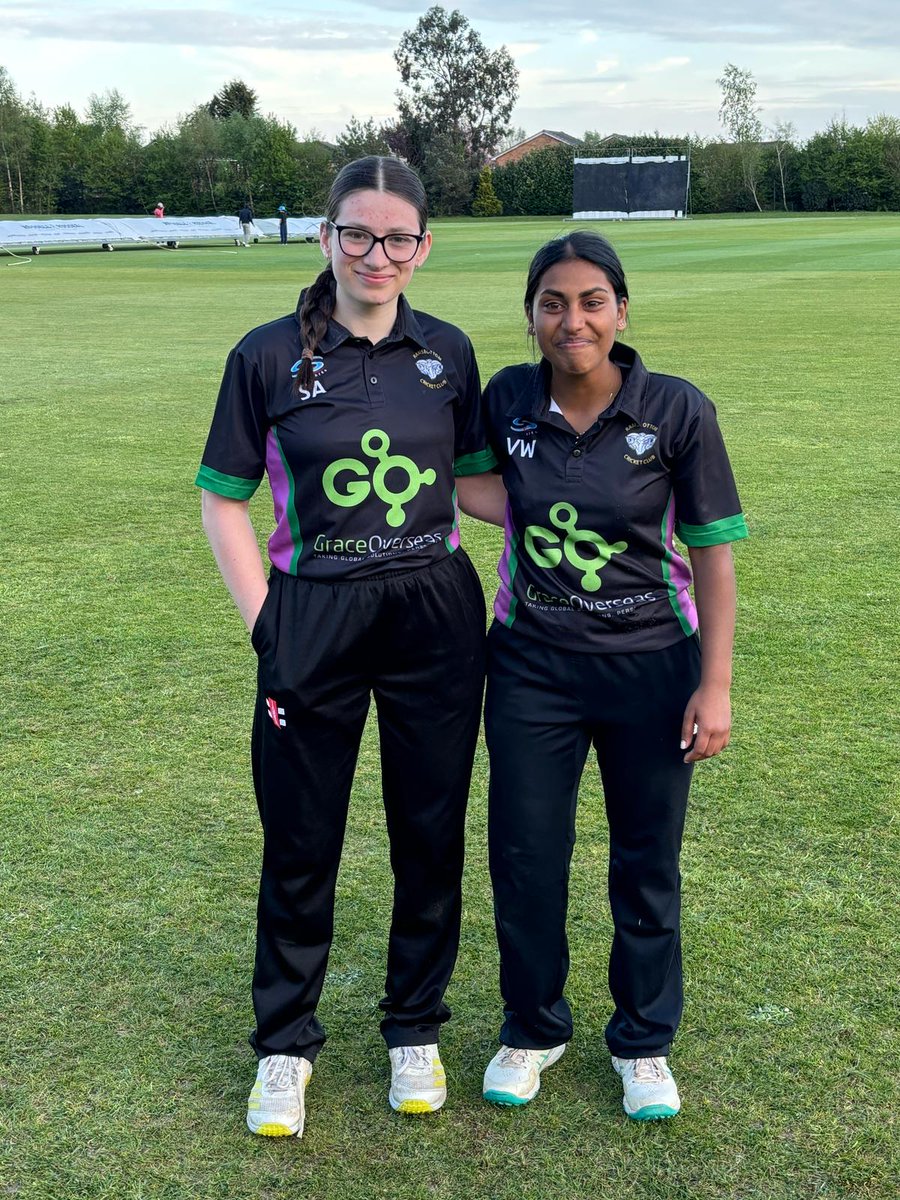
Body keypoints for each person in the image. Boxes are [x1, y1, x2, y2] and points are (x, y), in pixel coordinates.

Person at [196, 156, 500, 1139]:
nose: (377, 254)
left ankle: (415, 1027)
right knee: (299, 838)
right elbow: (222, 497)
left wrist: (608, 505)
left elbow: (480, 488)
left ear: (423, 246)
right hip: (313, 616)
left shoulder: (449, 353)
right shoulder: (265, 355)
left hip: (435, 616)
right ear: (326, 237)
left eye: (397, 237)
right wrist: (264, 625)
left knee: (429, 830)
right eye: (357, 234)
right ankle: (285, 1046)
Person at [477, 232, 748, 1121]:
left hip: (652, 671)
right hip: (530, 668)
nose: (572, 319)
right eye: (553, 302)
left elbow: (711, 557)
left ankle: (643, 1041)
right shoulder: (508, 397)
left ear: (622, 311)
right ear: (531, 315)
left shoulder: (675, 409)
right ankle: (532, 1027)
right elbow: (478, 486)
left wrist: (715, 685)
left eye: (592, 301)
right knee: (526, 855)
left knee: (645, 862)